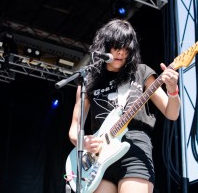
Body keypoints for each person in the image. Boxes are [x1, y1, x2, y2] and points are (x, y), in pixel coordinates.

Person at [68, 18, 180, 193]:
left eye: (126, 48)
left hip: (135, 152)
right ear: (105, 46)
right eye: (116, 46)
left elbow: (171, 113)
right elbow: (74, 128)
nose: (121, 52)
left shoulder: (141, 72)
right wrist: (82, 141)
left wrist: (172, 90)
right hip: (99, 158)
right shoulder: (88, 81)